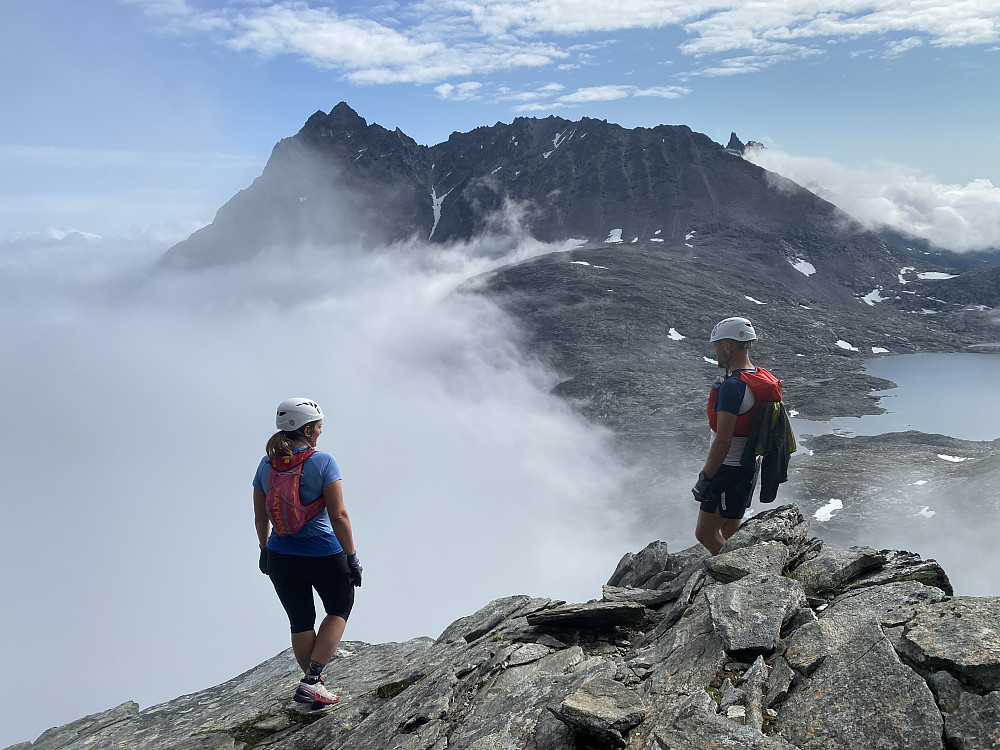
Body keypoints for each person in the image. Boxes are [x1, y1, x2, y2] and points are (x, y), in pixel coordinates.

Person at [253, 397, 362, 706]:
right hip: (324, 553)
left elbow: (261, 516)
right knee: (340, 607)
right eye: (319, 427)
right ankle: (312, 681)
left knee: (300, 621)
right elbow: (338, 515)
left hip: (280, 555)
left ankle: (313, 685)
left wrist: (264, 550)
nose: (320, 432)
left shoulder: (266, 464)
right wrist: (352, 557)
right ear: (308, 429)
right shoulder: (323, 462)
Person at [692, 318, 782, 555]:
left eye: (716, 346)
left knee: (705, 534)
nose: (715, 352)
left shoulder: (733, 387)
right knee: (731, 528)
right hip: (747, 467)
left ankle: (745, 574)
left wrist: (706, 478)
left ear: (729, 346)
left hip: (727, 469)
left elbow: (723, 440)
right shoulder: (760, 378)